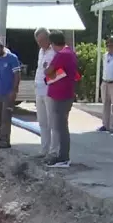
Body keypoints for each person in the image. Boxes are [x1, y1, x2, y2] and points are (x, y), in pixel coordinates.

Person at [43, 31, 78, 168]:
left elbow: (48, 71)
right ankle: (62, 156)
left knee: (61, 127)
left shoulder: (62, 55)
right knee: (61, 126)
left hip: (61, 95)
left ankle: (64, 157)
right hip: (65, 94)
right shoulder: (70, 52)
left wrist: (46, 68)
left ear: (52, 43)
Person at [0, 38, 22, 149]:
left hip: (8, 93)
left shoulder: (12, 58)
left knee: (6, 117)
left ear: (1, 48)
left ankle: (5, 140)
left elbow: (17, 75)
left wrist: (14, 90)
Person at [33, 28, 56, 159]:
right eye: (38, 41)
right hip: (39, 89)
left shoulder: (54, 51)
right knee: (42, 121)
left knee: (51, 121)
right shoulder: (41, 51)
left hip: (49, 89)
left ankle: (53, 151)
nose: (40, 43)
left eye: (42, 40)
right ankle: (44, 149)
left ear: (48, 38)